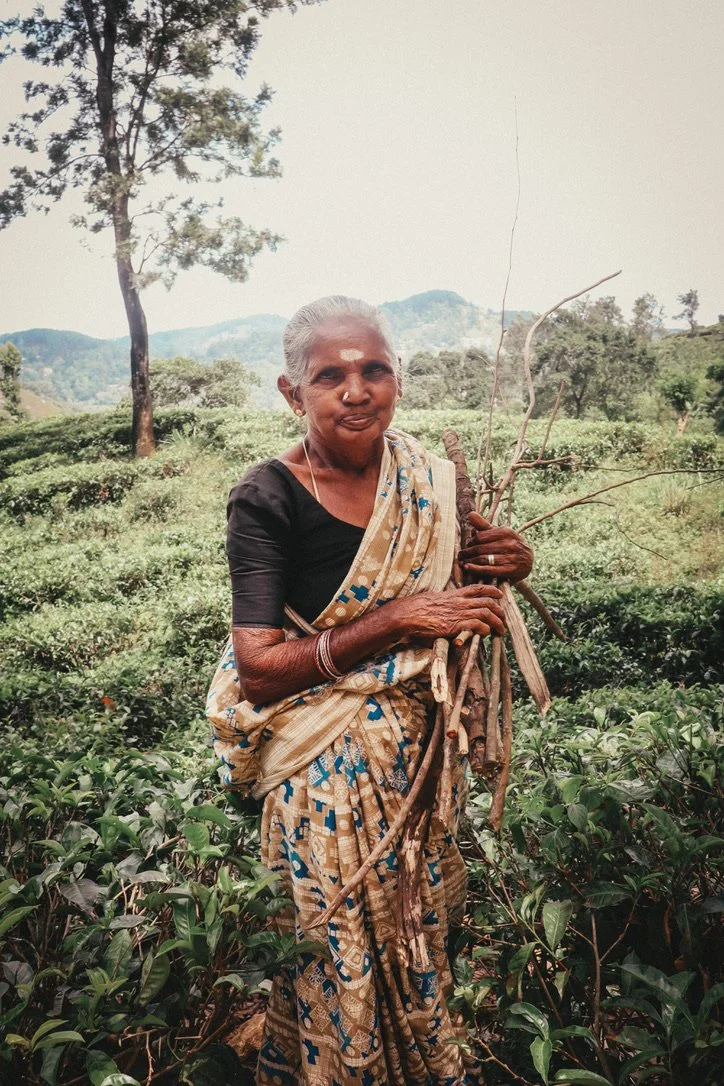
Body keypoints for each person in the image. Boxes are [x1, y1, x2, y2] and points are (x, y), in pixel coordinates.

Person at [207, 296, 533, 1085]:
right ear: (294, 393)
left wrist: (510, 563)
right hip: (324, 764)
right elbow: (258, 666)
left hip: (413, 760)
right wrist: (397, 618)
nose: (356, 389)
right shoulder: (267, 496)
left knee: (411, 935)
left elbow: (465, 569)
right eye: (330, 375)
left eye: (374, 369)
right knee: (339, 950)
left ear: (397, 380)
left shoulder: (428, 477)